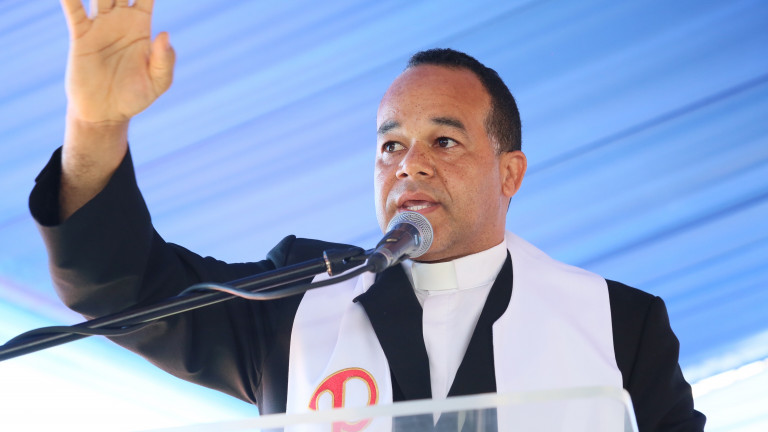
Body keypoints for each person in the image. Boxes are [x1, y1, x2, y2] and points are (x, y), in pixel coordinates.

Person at [30, 0, 705, 430]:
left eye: (444, 141)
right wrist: (97, 127)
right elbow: (120, 288)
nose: (410, 165)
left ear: (510, 173)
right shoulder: (298, 300)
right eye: (390, 146)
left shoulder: (618, 325)